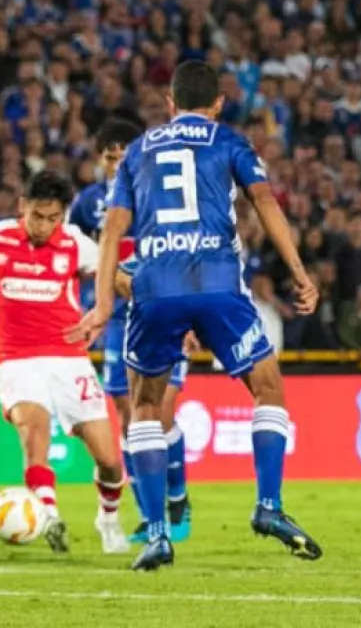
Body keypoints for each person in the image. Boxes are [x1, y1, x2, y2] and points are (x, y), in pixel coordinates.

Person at [70, 61, 320, 571]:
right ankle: (268, 505)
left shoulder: (138, 150)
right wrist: (298, 271)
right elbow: (265, 202)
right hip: (218, 284)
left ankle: (158, 534)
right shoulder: (229, 142)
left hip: (155, 287)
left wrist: (102, 305)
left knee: (143, 406)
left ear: (170, 102)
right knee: (268, 388)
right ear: (218, 103)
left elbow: (112, 232)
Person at [0, 171, 130, 555]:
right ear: (23, 206)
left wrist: (132, 309)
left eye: (53, 218)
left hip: (69, 359)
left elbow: (115, 278)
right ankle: (49, 515)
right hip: (15, 358)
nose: (44, 226)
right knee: (33, 430)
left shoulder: (77, 244)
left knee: (109, 460)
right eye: (37, 216)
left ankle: (108, 518)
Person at [69, 118, 194, 545]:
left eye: (125, 156)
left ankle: (177, 498)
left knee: (161, 412)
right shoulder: (88, 204)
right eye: (111, 157)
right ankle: (148, 514)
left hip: (165, 311)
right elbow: (71, 255)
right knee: (127, 417)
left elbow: (186, 254)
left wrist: (191, 315)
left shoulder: (166, 196)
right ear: (101, 160)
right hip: (118, 320)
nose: (118, 164)